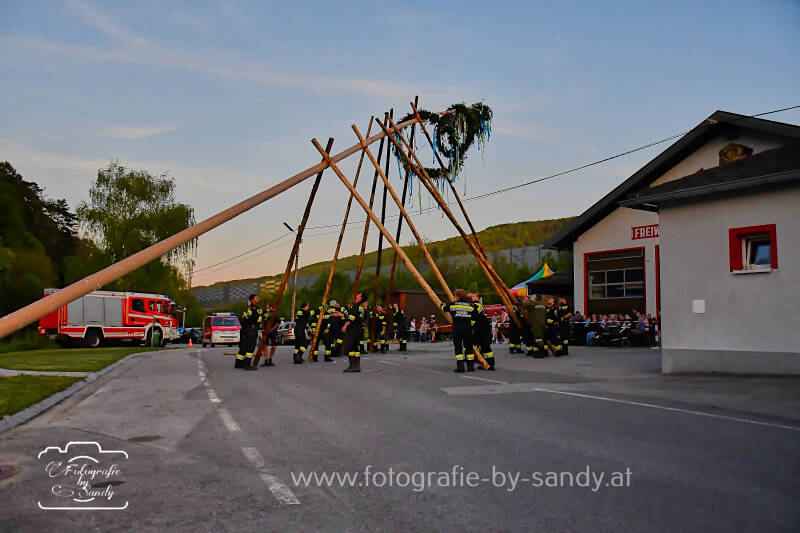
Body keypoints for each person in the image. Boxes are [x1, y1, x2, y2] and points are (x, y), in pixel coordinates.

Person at [440, 289, 476, 373]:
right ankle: (470, 367)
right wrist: (471, 326)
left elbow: (444, 308)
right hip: (467, 329)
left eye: (455, 295)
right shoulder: (470, 306)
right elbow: (474, 317)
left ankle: (461, 367)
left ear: (458, 297)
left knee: (458, 347)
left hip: (457, 329)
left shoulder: (454, 305)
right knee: (469, 348)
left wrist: (442, 304)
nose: (454, 297)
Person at [341, 292, 367, 373]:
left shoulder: (356, 306)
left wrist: (345, 326)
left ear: (360, 298)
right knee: (355, 347)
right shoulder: (361, 307)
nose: (357, 295)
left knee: (350, 347)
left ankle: (352, 366)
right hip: (358, 329)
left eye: (359, 294)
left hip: (353, 329)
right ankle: (356, 366)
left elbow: (352, 317)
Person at [236, 294, 263, 370]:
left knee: (244, 347)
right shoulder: (251, 309)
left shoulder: (256, 309)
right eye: (256, 297)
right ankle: (247, 365)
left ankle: (239, 363)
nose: (258, 298)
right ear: (252, 300)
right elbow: (250, 319)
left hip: (248, 330)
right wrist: (253, 325)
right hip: (251, 330)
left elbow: (262, 315)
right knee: (250, 347)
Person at [469, 292, 495, 370]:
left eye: (473, 296)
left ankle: (490, 364)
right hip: (483, 327)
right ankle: (485, 363)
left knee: (485, 346)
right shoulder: (479, 305)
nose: (472, 298)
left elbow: (474, 317)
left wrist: (470, 326)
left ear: (477, 298)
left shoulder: (476, 305)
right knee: (482, 346)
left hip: (482, 328)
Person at [260, 302, 279, 367]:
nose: (266, 306)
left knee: (273, 347)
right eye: (266, 305)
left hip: (273, 331)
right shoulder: (263, 312)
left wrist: (272, 329)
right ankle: (266, 360)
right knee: (264, 346)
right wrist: (262, 329)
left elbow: (278, 323)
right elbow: (261, 321)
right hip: (265, 331)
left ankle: (270, 359)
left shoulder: (275, 313)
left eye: (267, 305)